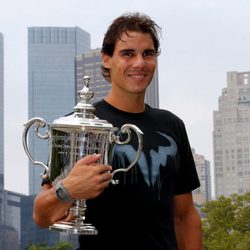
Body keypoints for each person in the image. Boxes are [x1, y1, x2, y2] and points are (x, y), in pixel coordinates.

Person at [33, 12, 203, 250]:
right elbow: (42, 215)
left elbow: (185, 217)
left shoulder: (172, 126)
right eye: (127, 53)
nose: (139, 63)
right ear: (106, 59)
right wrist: (68, 189)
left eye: (148, 53)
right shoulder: (79, 126)